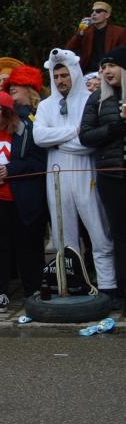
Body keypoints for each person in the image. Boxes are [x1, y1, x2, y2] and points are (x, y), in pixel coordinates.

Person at [33, 48, 116, 293]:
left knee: (98, 229)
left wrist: (57, 140)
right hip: (56, 174)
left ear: (74, 73)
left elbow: (88, 142)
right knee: (63, 232)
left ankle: (108, 285)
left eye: (65, 75)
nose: (60, 80)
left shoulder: (91, 100)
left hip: (84, 171)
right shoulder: (46, 106)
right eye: (56, 76)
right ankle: (72, 282)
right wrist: (72, 132)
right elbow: (39, 136)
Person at [0, 91, 48, 311]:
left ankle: (33, 290)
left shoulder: (25, 132)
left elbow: (37, 163)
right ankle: (1, 293)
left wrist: (11, 169)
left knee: (27, 246)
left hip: (22, 200)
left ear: (7, 112)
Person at [79, 46, 126, 312]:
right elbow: (85, 135)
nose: (107, 71)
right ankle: (122, 290)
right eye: (103, 67)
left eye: (112, 65)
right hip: (112, 176)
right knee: (119, 235)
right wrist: (114, 128)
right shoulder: (97, 98)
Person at [64, 1, 126, 72]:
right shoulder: (85, 31)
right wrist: (80, 33)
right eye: (93, 11)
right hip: (88, 72)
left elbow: (123, 54)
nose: (94, 14)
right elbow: (68, 50)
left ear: (107, 15)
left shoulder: (119, 32)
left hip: (109, 71)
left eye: (98, 11)